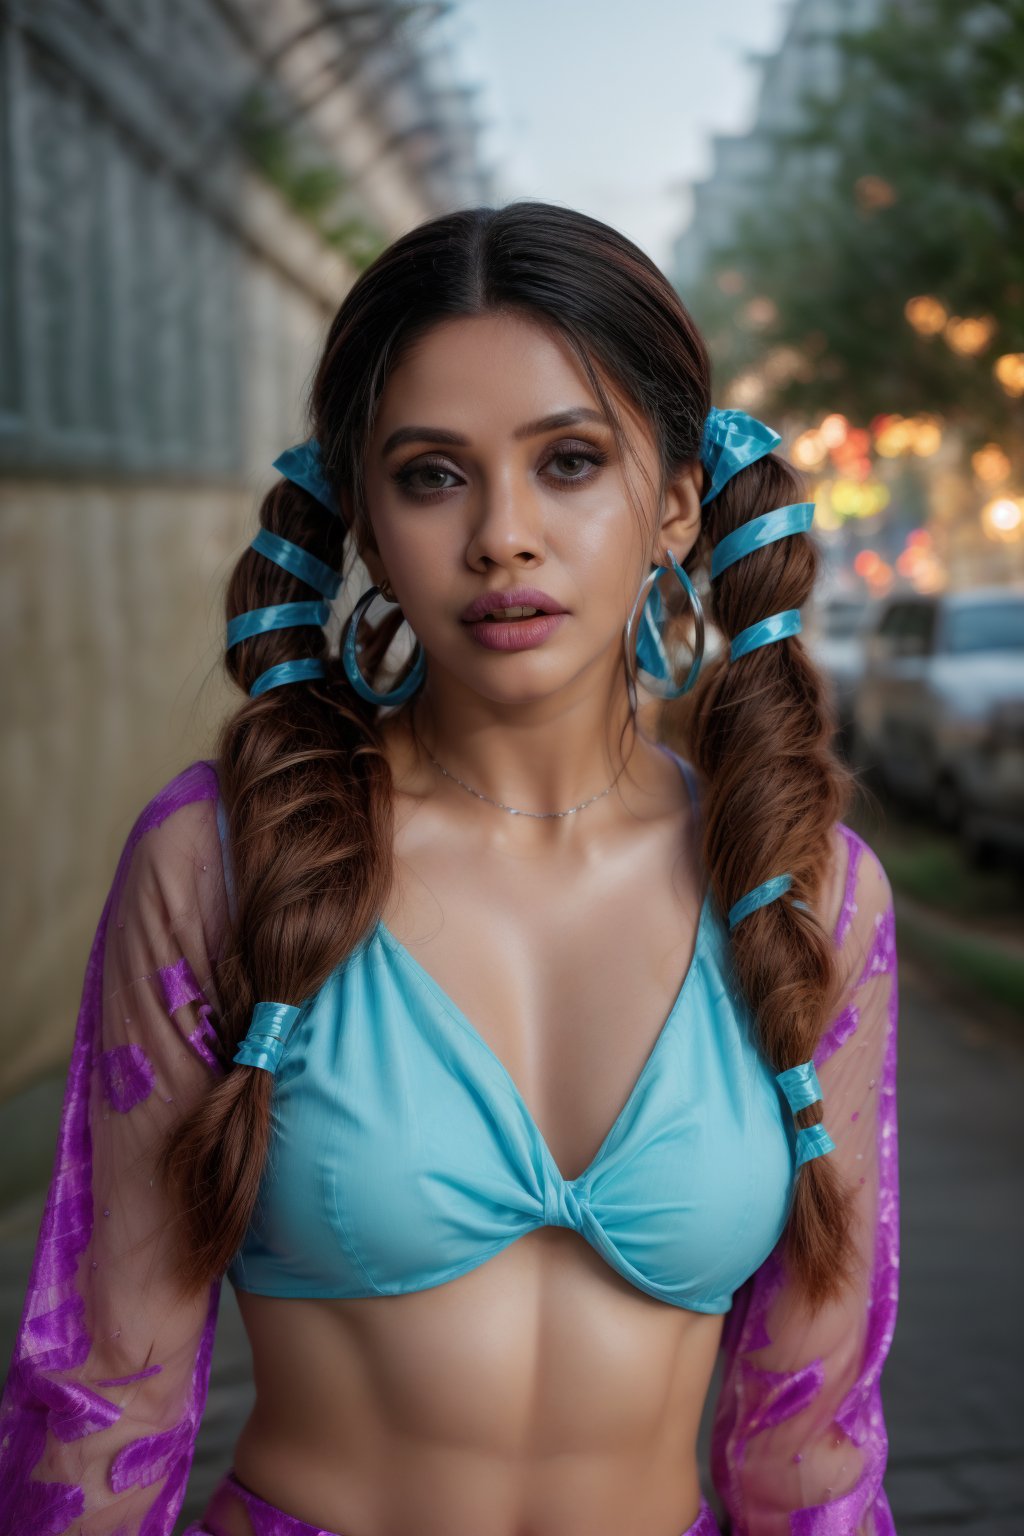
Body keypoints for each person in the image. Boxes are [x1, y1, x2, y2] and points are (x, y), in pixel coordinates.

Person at [0, 202, 899, 1536]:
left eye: (572, 461)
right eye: (432, 473)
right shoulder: (225, 864)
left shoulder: (801, 888)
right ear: (362, 513)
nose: (502, 535)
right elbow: (102, 1395)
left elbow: (815, 1436)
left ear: (675, 506)